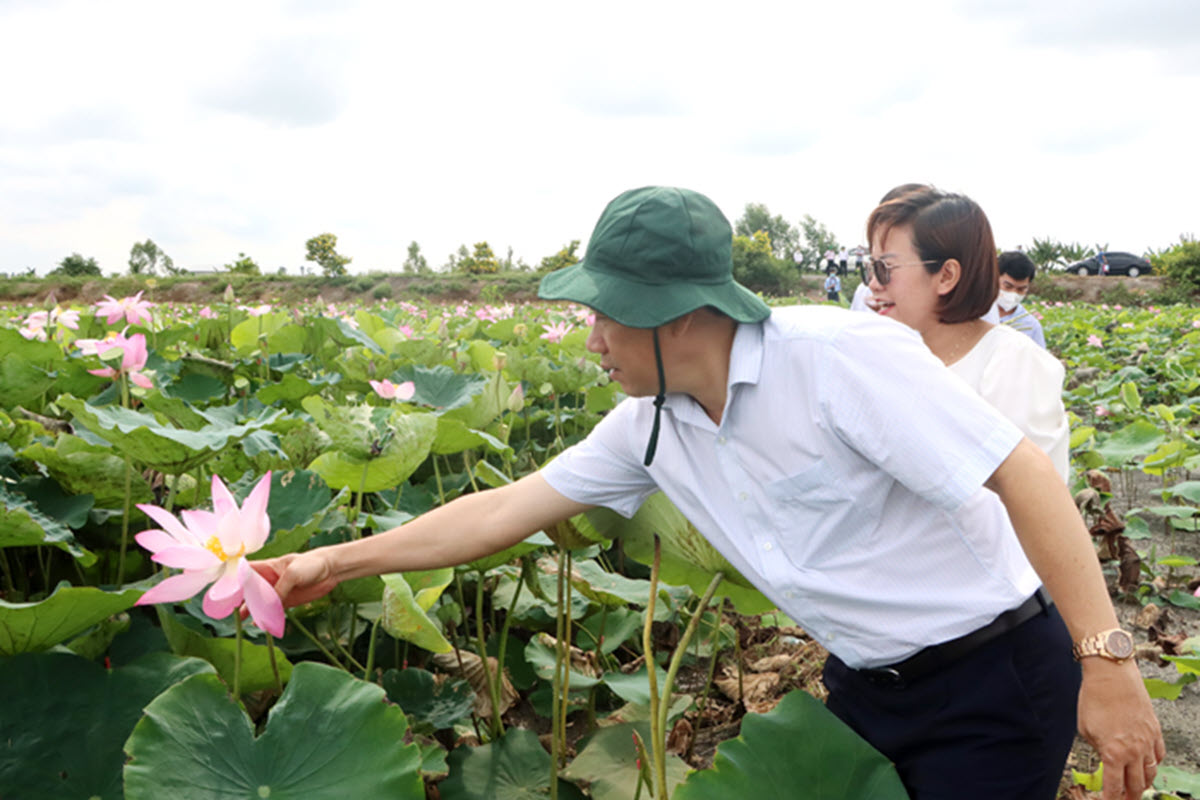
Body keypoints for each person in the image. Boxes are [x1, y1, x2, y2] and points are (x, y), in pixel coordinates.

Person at [254, 186, 1163, 800]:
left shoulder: (838, 360)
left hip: (993, 676)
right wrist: (337, 558)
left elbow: (1023, 472)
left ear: (681, 315)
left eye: (604, 312)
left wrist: (1109, 666)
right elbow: (503, 509)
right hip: (864, 682)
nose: (591, 340)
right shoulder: (650, 422)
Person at [864, 188, 1069, 480]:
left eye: (885, 268)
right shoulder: (891, 356)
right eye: (870, 268)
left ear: (946, 276)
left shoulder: (1012, 365)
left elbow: (1037, 507)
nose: (873, 285)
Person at [997, 250, 1047, 348]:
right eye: (1007, 286)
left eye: (1021, 289)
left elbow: (1037, 361)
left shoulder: (1031, 326)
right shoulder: (977, 314)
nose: (1014, 293)